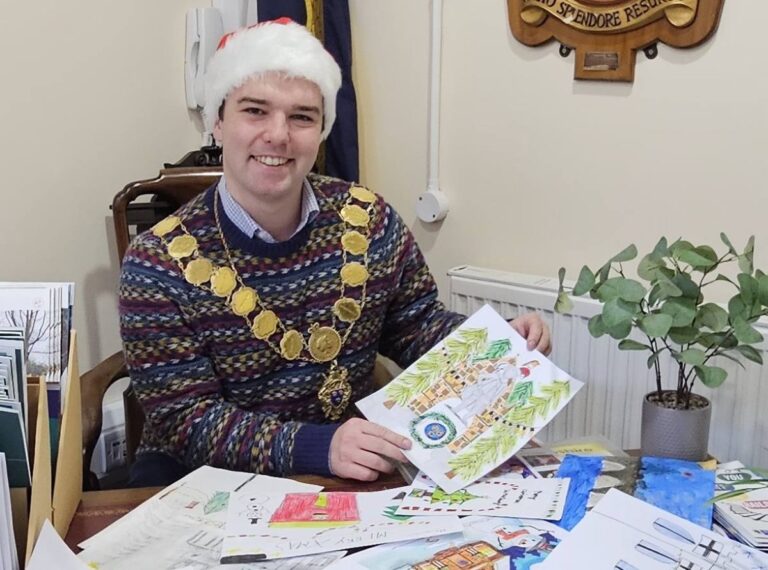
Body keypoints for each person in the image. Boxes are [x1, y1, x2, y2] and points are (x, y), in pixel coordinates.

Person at [118, 18, 551, 487]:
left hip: (345, 476)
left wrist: (493, 343)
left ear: (322, 130)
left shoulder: (368, 218)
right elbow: (185, 420)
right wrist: (316, 447)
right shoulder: (155, 263)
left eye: (302, 117)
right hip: (203, 483)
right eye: (255, 111)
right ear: (218, 123)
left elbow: (416, 324)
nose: (278, 135)